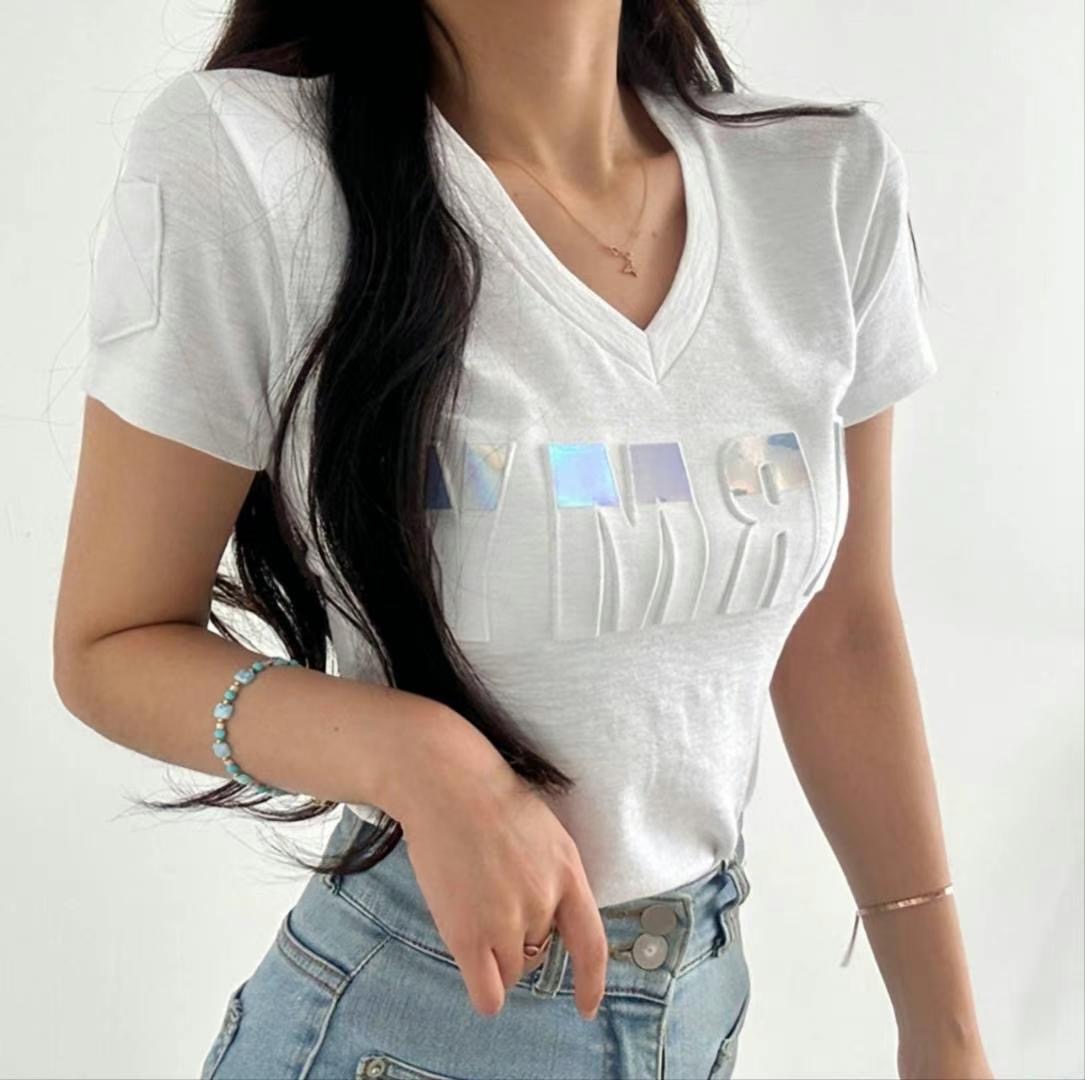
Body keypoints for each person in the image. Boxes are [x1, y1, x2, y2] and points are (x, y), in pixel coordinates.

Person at [53, 2, 993, 1078]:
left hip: (698, 1010)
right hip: (404, 1021)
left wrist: (943, 1032)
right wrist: (422, 757)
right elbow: (111, 642)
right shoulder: (250, 160)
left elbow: (841, 629)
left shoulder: (820, 180)